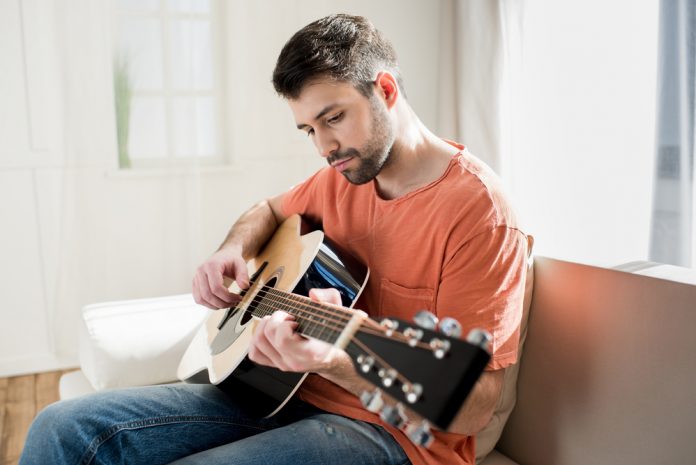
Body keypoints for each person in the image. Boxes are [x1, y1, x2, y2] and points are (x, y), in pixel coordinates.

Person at [20, 14, 528, 465]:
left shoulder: (479, 213)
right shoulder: (342, 174)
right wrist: (230, 250)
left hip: (392, 435)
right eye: (308, 129)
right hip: (286, 393)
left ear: (387, 91)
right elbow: (265, 210)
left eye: (333, 118)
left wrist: (338, 361)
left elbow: (475, 407)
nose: (325, 146)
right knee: (61, 427)